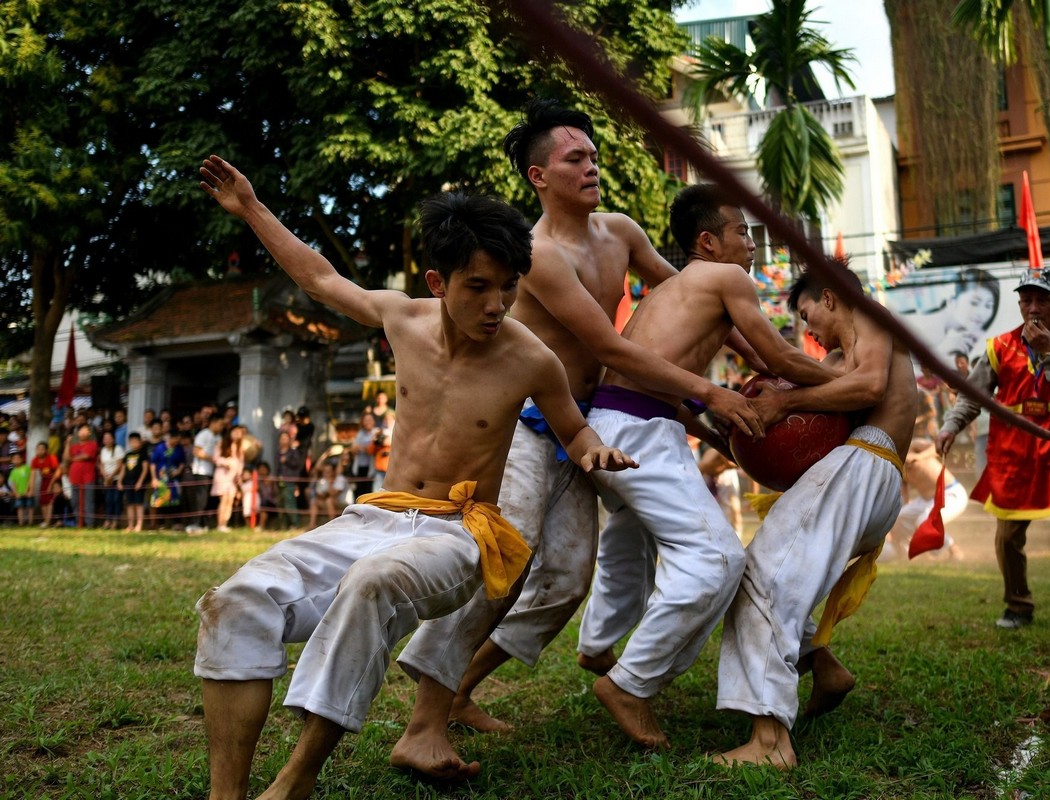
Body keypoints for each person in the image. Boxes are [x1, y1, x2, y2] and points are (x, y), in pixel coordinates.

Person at [194, 154, 636, 799]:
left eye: (509, 287)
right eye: (478, 286)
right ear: (437, 281)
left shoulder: (531, 358)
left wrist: (596, 450)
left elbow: (575, 429)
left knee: (375, 581)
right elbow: (320, 278)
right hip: (372, 517)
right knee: (235, 600)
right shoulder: (402, 319)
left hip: (458, 534)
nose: (497, 304)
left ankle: (296, 781)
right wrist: (252, 208)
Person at [389, 103, 765, 770]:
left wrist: (761, 361)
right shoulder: (537, 256)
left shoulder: (619, 231)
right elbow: (610, 346)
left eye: (594, 156)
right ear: (539, 176)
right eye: (575, 159)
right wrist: (710, 393)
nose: (592, 167)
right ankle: (425, 718)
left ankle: (458, 692)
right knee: (508, 558)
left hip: (590, 426)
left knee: (566, 580)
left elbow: (693, 295)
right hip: (529, 422)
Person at [569, 185, 843, 750]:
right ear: (708, 241)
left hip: (619, 424)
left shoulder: (675, 289)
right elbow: (781, 358)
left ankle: (597, 643)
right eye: (741, 232)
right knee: (717, 558)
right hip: (639, 429)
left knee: (629, 543)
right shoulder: (726, 279)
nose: (750, 242)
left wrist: (709, 419)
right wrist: (854, 385)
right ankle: (629, 685)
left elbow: (677, 378)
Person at [714, 260, 917, 768]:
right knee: (787, 576)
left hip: (866, 462)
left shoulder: (870, 316)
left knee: (763, 576)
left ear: (829, 298)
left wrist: (785, 403)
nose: (807, 329)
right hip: (869, 474)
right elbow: (791, 404)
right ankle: (825, 669)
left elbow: (869, 386)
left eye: (807, 314)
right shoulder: (833, 359)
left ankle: (769, 743)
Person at [936, 268, 1050, 635]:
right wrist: (950, 426)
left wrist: (1048, 353)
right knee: (1008, 535)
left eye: (1042, 300)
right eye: (1026, 299)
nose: (1033, 307)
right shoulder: (999, 347)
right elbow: (973, 397)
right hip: (1014, 451)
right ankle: (1018, 605)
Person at [884, 437, 967, 561]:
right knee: (900, 518)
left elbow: (936, 448)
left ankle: (953, 548)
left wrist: (919, 457)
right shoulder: (897, 466)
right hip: (926, 500)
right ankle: (912, 550)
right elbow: (904, 496)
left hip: (950, 493)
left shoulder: (913, 445)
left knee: (924, 520)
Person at [924, 267, 1000, 362]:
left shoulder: (972, 336)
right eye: (974, 303)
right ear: (952, 300)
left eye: (988, 306)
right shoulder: (927, 329)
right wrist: (942, 350)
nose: (981, 313)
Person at [211, 425, 245, 533]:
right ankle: (220, 524)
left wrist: (239, 476)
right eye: (235, 431)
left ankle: (225, 523)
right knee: (224, 499)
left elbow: (240, 463)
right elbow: (216, 459)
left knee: (230, 500)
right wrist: (227, 462)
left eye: (239, 432)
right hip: (222, 474)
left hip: (233, 477)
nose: (237, 434)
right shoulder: (222, 444)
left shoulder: (240, 448)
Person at [64, 423, 99, 529]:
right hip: (74, 477)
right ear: (77, 433)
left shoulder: (92, 444)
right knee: (74, 501)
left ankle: (89, 523)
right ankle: (79, 521)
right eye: (81, 430)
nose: (83, 432)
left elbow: (86, 456)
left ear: (89, 433)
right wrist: (68, 443)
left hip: (88, 477)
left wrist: (72, 459)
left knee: (88, 500)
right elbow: (66, 458)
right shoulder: (74, 446)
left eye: (86, 430)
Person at [120, 432, 151, 532]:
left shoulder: (143, 454)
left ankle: (139, 524)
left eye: (135, 441)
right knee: (129, 504)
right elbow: (123, 469)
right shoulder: (128, 454)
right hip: (128, 481)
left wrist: (140, 482)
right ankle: (130, 525)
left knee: (139, 504)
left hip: (138, 482)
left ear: (140, 442)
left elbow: (145, 469)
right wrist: (120, 481)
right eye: (131, 442)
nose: (133, 443)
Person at [97, 430, 125, 530]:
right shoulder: (103, 450)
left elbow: (119, 465)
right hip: (107, 479)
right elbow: (101, 465)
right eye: (105, 438)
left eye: (109, 438)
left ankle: (115, 521)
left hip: (117, 479)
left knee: (116, 500)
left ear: (113, 439)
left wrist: (111, 477)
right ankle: (107, 520)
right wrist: (105, 476)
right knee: (108, 500)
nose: (107, 440)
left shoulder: (118, 449)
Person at [31, 441, 60, 528]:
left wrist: (52, 484)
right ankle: (45, 521)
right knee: (43, 501)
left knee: (50, 501)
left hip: (53, 480)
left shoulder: (51, 458)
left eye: (42, 449)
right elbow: (33, 475)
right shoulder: (35, 460)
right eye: (38, 449)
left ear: (46, 450)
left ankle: (48, 521)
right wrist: (31, 489)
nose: (40, 451)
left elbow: (58, 471)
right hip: (44, 481)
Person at [9, 451, 34, 526]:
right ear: (12, 461)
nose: (16, 460)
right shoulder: (13, 471)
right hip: (19, 493)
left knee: (30, 507)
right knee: (20, 508)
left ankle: (30, 522)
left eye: (18, 458)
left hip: (28, 492)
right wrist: (16, 493)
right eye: (14, 458)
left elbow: (30, 479)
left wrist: (28, 490)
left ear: (22, 459)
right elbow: (13, 483)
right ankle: (21, 523)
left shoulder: (26, 467)